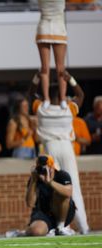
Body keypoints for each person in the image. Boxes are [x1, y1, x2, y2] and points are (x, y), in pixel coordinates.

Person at [31, 72, 89, 234]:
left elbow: (30, 94)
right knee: (73, 186)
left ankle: (59, 225)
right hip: (66, 147)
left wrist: (38, 77)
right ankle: (83, 227)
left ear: (46, 95)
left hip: (50, 148)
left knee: (52, 185)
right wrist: (69, 78)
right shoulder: (68, 109)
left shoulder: (42, 108)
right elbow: (81, 94)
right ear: (63, 96)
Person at [6, 155, 76, 237]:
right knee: (36, 231)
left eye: (46, 168)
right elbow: (30, 203)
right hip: (44, 213)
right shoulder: (35, 179)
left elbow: (68, 193)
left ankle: (61, 227)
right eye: (41, 169)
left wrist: (50, 182)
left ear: (52, 167)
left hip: (61, 213)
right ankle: (23, 233)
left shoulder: (62, 175)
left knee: (60, 193)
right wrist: (33, 181)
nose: (44, 171)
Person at [36, 0, 68, 109]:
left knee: (59, 68)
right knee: (46, 68)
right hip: (47, 26)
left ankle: (62, 98)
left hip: (56, 26)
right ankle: (47, 98)